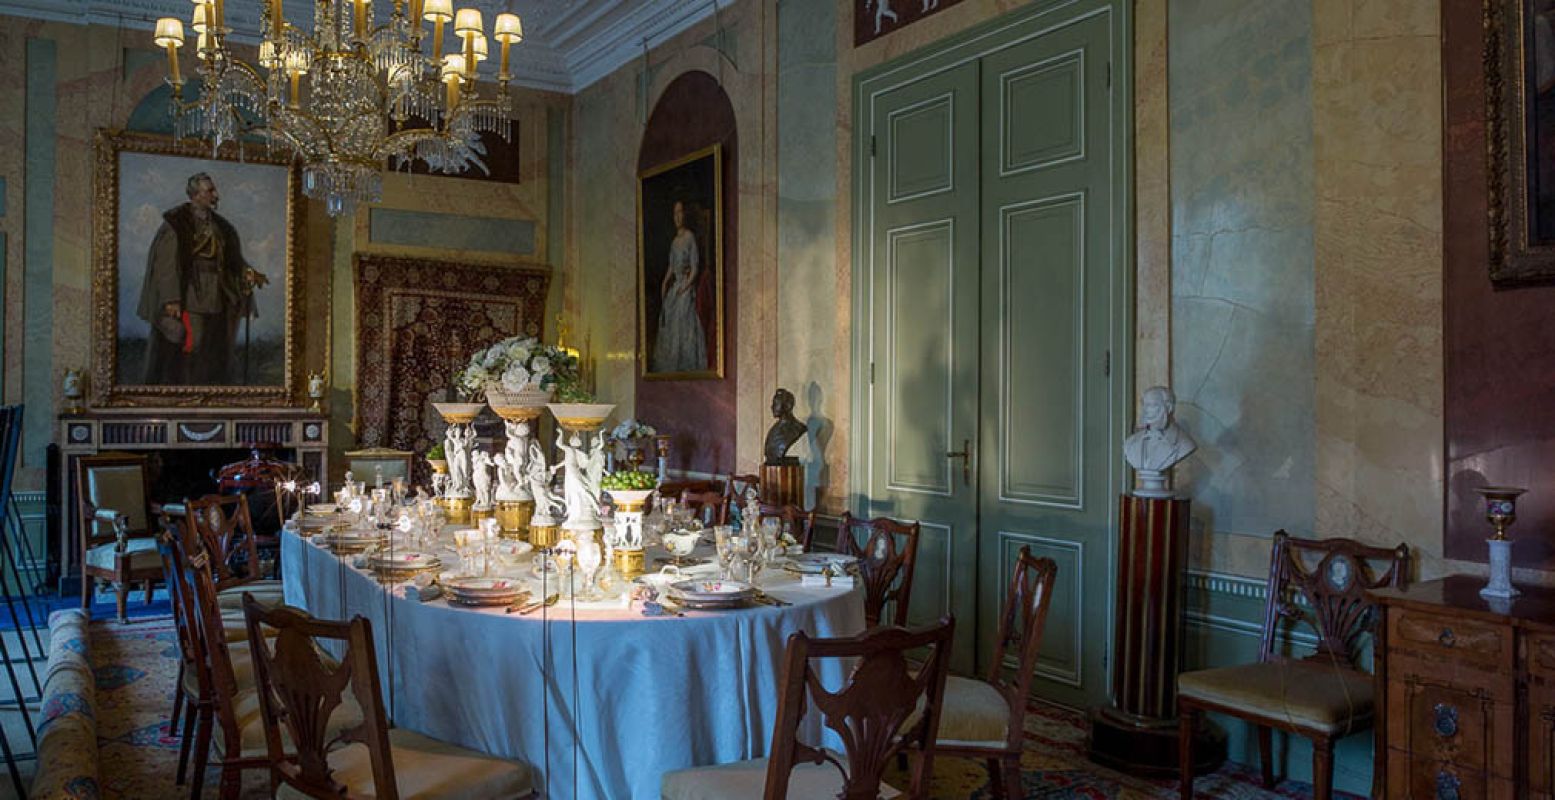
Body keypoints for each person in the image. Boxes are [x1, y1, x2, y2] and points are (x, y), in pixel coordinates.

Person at [136, 172, 268, 385]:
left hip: (217, 294)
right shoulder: (176, 223)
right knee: (192, 342)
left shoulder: (221, 226)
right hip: (190, 294)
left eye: (214, 190)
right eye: (210, 191)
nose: (215, 195)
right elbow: (166, 264)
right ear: (195, 195)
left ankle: (209, 389)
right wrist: (171, 298)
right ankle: (186, 388)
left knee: (214, 345)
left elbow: (232, 260)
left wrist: (248, 272)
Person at [651, 200, 708, 373]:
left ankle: (685, 364)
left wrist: (685, 287)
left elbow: (695, 266)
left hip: (685, 285)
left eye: (680, 212)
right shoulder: (675, 241)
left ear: (684, 214)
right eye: (675, 213)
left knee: (682, 317)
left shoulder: (689, 237)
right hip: (676, 286)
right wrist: (665, 282)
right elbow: (671, 266)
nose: (677, 217)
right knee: (669, 319)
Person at [1123, 386, 1197, 474]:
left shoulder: (1184, 443)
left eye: (1151, 405)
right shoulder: (1130, 443)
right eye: (1144, 405)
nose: (1145, 411)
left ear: (1169, 408)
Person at [763, 388, 807, 465]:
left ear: (788, 406)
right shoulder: (773, 430)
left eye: (776, 403)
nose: (772, 407)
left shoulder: (797, 428)